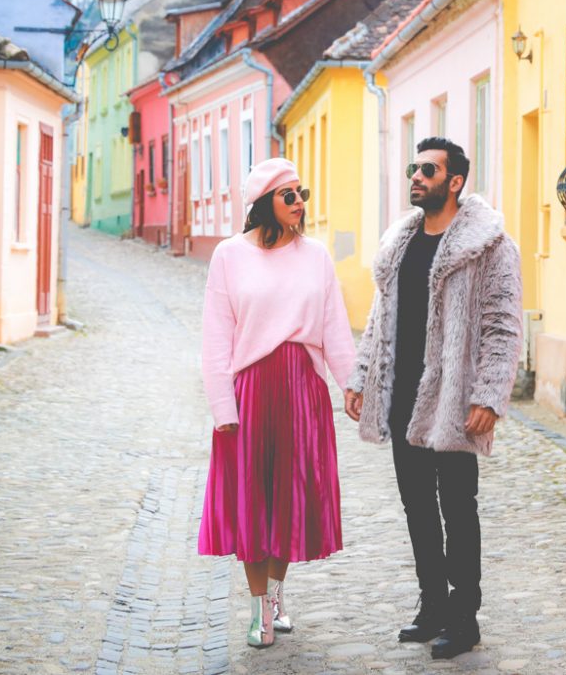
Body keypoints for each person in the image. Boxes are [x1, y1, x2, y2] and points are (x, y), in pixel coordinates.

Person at [344, 137, 523, 660]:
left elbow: (502, 326)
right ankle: (431, 606)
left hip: (453, 400)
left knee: (458, 510)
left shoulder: (489, 245)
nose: (416, 177)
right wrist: (361, 377)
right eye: (413, 168)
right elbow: (381, 319)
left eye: (428, 169)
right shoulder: (401, 243)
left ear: (456, 181)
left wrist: (489, 395)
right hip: (403, 394)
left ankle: (464, 617)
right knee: (417, 507)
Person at [196, 157, 355, 650]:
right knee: (252, 502)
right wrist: (223, 405)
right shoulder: (229, 255)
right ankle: (258, 607)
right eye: (290, 195)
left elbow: (334, 327)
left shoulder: (316, 256)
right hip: (251, 392)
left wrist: (353, 384)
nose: (300, 203)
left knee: (290, 500)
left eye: (303, 193)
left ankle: (278, 597)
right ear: (265, 202)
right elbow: (216, 336)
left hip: (303, 390)